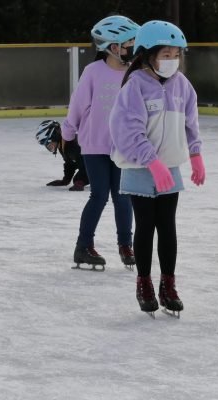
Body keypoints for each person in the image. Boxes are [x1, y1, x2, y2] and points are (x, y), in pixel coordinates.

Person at [109, 20, 204, 317]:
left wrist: (196, 154)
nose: (172, 60)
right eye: (165, 54)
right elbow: (127, 131)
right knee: (146, 227)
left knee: (168, 227)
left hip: (170, 168)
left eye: (176, 54)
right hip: (139, 168)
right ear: (148, 54)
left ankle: (168, 285)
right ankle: (144, 283)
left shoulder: (182, 86)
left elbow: (191, 123)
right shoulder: (135, 85)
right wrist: (152, 162)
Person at [63, 15, 139, 271]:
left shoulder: (136, 73)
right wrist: (67, 132)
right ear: (113, 46)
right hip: (95, 144)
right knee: (99, 196)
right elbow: (78, 103)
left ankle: (126, 245)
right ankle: (83, 246)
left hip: (124, 147)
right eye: (129, 43)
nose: (133, 48)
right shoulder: (93, 72)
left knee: (123, 196)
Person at [35, 120, 90, 192]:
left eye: (48, 143)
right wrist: (66, 180)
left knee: (77, 179)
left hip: (104, 164)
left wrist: (79, 181)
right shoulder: (62, 146)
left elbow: (88, 164)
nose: (48, 146)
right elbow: (70, 163)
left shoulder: (72, 144)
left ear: (54, 136)